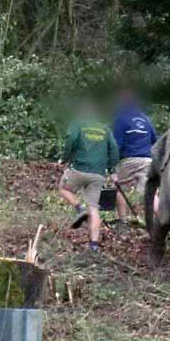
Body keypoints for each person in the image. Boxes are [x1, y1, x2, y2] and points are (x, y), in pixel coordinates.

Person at [58, 106, 119, 251]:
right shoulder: (105, 129)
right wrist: (112, 169)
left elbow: (71, 139)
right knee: (94, 208)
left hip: (79, 169)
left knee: (63, 188)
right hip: (98, 175)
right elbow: (114, 148)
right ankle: (94, 246)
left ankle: (79, 208)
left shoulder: (77, 124)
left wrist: (64, 159)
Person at [112, 91, 157, 221]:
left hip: (129, 160)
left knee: (120, 189)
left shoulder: (121, 118)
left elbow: (117, 145)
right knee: (150, 194)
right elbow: (155, 140)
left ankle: (122, 221)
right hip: (148, 161)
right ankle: (163, 221)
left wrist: (112, 163)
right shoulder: (145, 119)